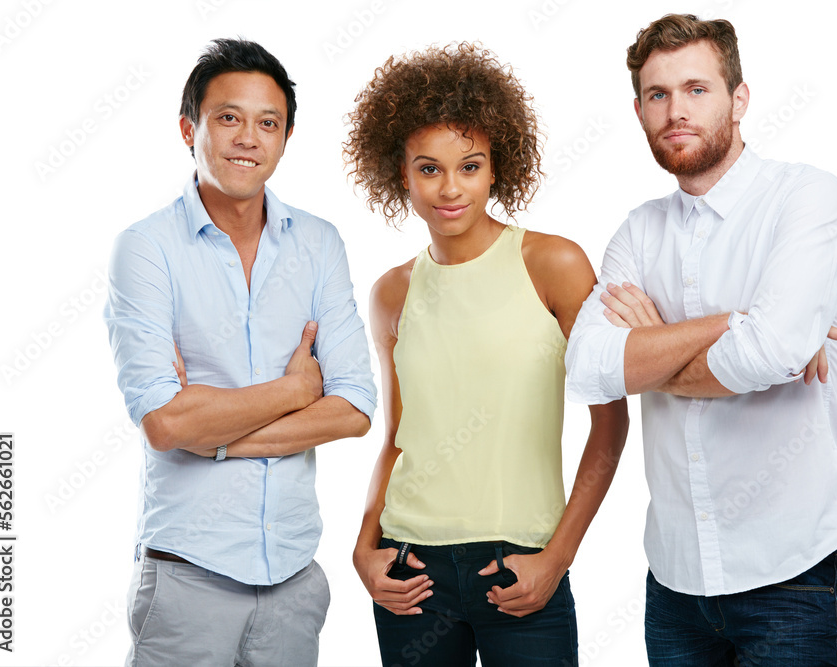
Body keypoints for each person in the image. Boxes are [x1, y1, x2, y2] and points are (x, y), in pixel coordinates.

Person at [564, 14, 837, 666]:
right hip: (675, 584)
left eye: (697, 89)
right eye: (657, 94)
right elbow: (585, 368)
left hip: (791, 574)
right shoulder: (638, 232)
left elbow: (771, 352)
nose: (676, 110)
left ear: (739, 98)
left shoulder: (808, 198)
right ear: (639, 109)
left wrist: (645, 352)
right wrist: (733, 321)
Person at [344, 42, 629, 666]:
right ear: (400, 173)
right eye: (428, 168)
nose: (450, 188)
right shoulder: (393, 292)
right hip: (409, 572)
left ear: (497, 166)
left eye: (469, 166)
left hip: (520, 567)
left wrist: (558, 558)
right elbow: (396, 435)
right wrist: (363, 549)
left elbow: (610, 422)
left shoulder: (552, 264)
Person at [104, 38, 376, 666]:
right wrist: (296, 391)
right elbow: (165, 423)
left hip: (294, 581)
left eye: (268, 123)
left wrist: (214, 433)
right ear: (188, 128)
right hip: (186, 581)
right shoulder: (145, 251)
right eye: (228, 118)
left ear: (284, 139)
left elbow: (356, 407)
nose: (248, 139)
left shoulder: (318, 243)